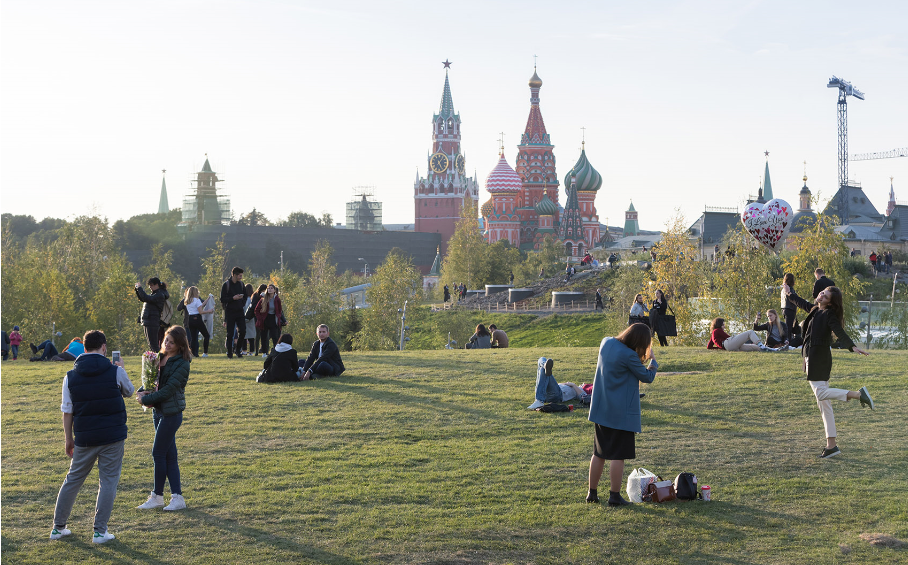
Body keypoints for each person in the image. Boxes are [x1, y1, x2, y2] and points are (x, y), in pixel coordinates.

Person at [50, 329, 134, 544]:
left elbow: (67, 411)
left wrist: (68, 438)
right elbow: (129, 391)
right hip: (112, 435)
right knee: (108, 481)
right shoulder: (115, 370)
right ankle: (99, 532)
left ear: (84, 348)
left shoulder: (70, 376)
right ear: (104, 347)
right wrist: (122, 369)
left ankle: (58, 528)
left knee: (73, 479)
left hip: (85, 436)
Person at [784, 284, 873, 458]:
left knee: (821, 394)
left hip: (818, 359)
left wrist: (852, 346)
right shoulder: (815, 310)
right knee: (824, 404)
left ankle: (858, 395)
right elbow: (801, 303)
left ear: (830, 303)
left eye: (825, 296)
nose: (821, 296)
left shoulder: (828, 314)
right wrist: (789, 294)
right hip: (812, 358)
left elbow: (839, 330)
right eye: (822, 293)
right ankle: (831, 445)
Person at [586, 324, 658, 506]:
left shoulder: (606, 342)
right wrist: (653, 361)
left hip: (602, 409)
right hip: (621, 414)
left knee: (599, 453)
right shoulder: (630, 356)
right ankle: (614, 496)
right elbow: (647, 377)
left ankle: (592, 493)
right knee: (618, 455)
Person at [136, 325, 191, 511]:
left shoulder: (182, 364)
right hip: (158, 412)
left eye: (172, 342)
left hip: (171, 414)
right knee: (169, 455)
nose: (167, 344)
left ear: (180, 345)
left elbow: (168, 390)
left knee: (158, 453)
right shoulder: (157, 358)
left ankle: (157, 496)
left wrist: (146, 400)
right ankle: (177, 497)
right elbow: (151, 382)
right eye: (166, 340)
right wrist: (141, 391)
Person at [135, 277, 169, 353]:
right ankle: (155, 359)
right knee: (151, 345)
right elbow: (143, 299)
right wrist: (137, 290)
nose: (150, 287)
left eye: (151, 285)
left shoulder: (160, 294)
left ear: (157, 285)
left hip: (152, 321)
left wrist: (140, 288)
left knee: (154, 345)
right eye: (149, 285)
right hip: (148, 320)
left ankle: (159, 359)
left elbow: (146, 298)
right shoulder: (155, 294)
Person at [220, 266, 246, 359]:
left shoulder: (241, 284)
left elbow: (245, 296)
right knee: (230, 333)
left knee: (243, 331)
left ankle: (238, 350)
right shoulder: (226, 285)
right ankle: (229, 352)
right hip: (230, 312)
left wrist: (242, 302)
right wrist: (233, 298)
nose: (241, 277)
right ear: (234, 275)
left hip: (240, 311)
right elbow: (222, 299)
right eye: (240, 276)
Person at [181, 286, 212, 357]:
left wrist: (208, 299)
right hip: (197, 318)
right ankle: (205, 352)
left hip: (190, 319)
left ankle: (192, 353)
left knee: (193, 337)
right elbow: (200, 311)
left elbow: (201, 305)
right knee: (206, 335)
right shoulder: (197, 300)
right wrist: (208, 311)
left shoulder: (187, 301)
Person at [255, 283, 284, 355]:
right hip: (265, 319)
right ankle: (264, 352)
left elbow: (280, 310)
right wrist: (260, 318)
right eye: (269, 288)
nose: (270, 290)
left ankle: (276, 352)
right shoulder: (263, 299)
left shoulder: (277, 299)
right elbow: (256, 310)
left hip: (273, 319)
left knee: (275, 337)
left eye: (271, 288)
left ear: (274, 290)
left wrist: (279, 317)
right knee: (264, 337)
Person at [242, 284, 258, 356]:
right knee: (251, 336)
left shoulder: (244, 299)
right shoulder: (252, 299)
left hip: (243, 318)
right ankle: (251, 351)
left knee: (243, 335)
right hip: (251, 319)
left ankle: (244, 350)